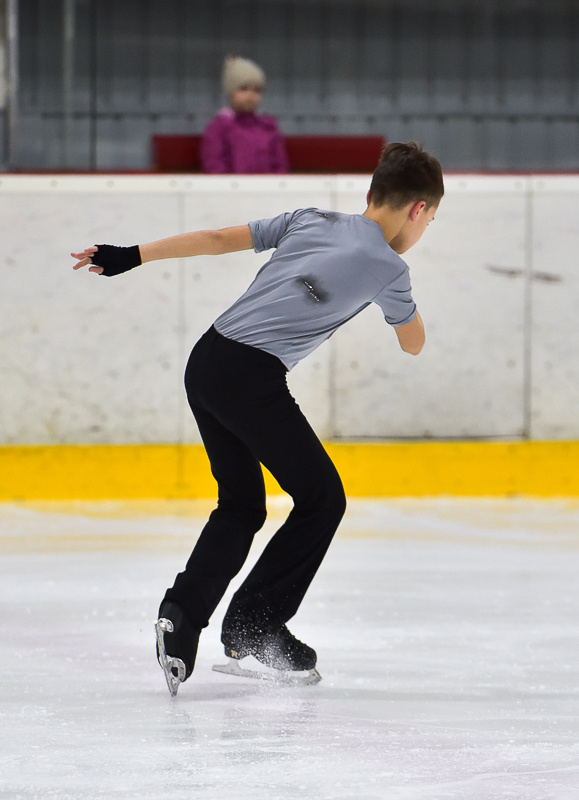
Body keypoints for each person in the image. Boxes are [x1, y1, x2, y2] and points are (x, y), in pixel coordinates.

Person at [71, 141, 444, 695]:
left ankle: (181, 618)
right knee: (323, 499)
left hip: (208, 360)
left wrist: (132, 255)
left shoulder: (308, 218)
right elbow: (412, 344)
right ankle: (255, 625)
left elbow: (221, 239)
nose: (424, 229)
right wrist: (403, 307)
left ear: (371, 193)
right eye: (430, 219)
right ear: (417, 210)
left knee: (242, 505)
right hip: (251, 379)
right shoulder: (390, 269)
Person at [201, 55, 288, 174]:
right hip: (233, 190)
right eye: (243, 89)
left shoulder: (268, 127)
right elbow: (214, 164)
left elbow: (280, 164)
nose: (250, 95)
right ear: (230, 92)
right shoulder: (219, 128)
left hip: (266, 190)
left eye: (257, 90)